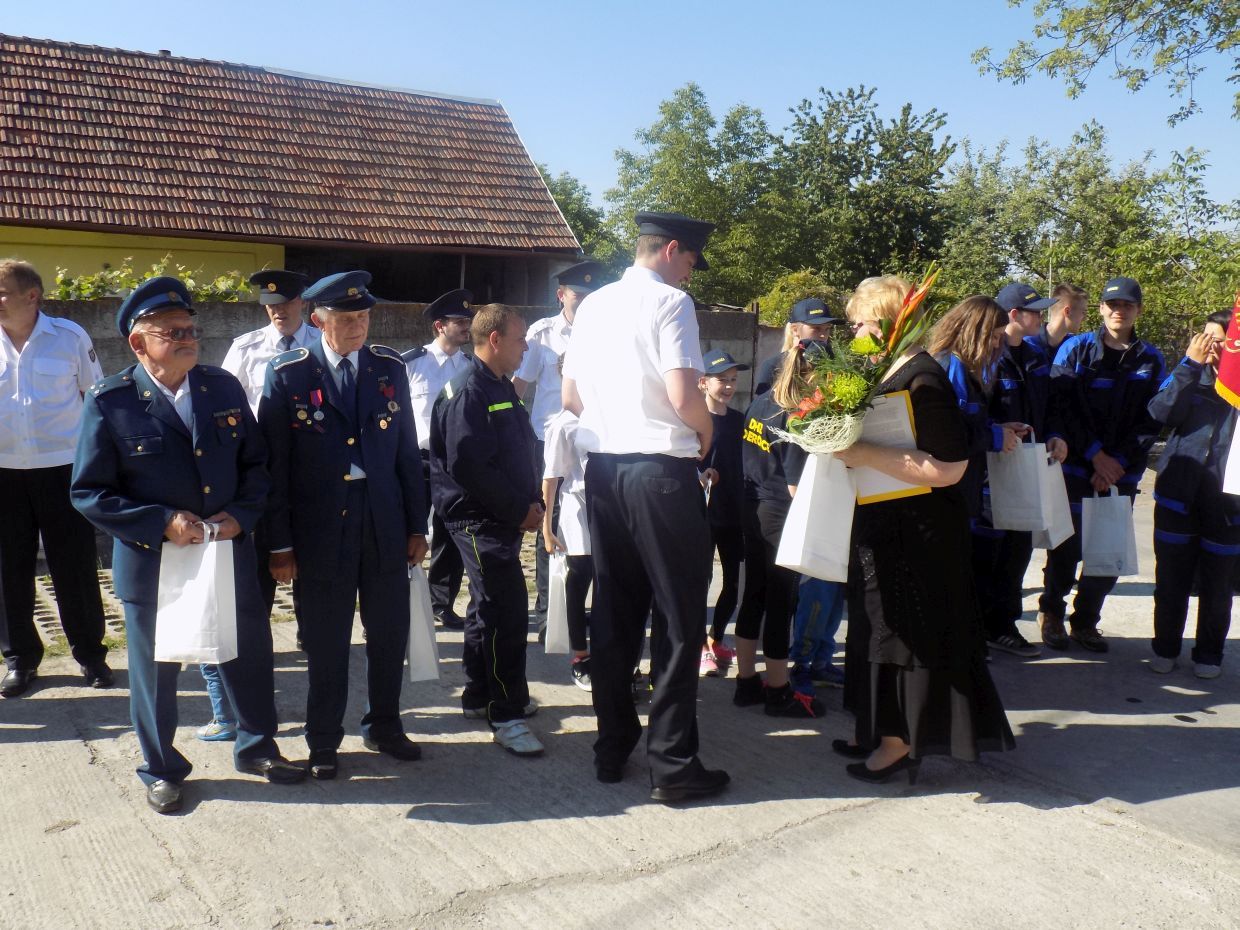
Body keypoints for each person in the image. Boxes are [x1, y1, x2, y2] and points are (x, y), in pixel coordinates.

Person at [71, 276, 305, 814]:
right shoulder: (111, 402)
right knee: (156, 673)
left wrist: (241, 517)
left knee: (247, 654)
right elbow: (89, 492)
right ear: (138, 343)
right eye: (172, 332)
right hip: (154, 564)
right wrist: (160, 522)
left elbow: (256, 466)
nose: (187, 339)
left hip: (224, 552)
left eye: (190, 330)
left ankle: (258, 749)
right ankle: (161, 769)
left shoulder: (220, 387)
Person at [563, 210, 730, 802]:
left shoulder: (593, 306)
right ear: (672, 249)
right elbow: (684, 394)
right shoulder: (670, 302)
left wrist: (617, 423)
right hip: (660, 472)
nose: (690, 274)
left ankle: (612, 748)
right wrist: (707, 432)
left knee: (615, 612)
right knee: (679, 619)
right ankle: (674, 765)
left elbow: (570, 396)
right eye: (690, 262)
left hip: (604, 471)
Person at [834, 275, 1015, 783]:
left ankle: (900, 743)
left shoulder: (924, 379)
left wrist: (859, 452)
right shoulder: (892, 370)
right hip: (888, 525)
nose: (854, 334)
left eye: (860, 324)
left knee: (903, 635)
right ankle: (875, 728)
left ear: (888, 323)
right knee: (876, 626)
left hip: (918, 535)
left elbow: (948, 467)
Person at [259, 270, 429, 781]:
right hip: (320, 529)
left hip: (382, 520)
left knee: (389, 633)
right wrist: (279, 543)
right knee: (327, 641)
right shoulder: (289, 373)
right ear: (318, 321)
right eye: (347, 318)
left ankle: (385, 725)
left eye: (363, 317)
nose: (358, 326)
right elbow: (275, 467)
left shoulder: (387, 367)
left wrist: (416, 526)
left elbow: (406, 453)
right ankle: (323, 739)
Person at [430, 304, 545, 756]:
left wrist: (530, 501)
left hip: (500, 516)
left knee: (484, 609)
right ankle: (506, 713)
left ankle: (479, 694)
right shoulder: (469, 391)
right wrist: (519, 510)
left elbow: (512, 450)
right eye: (520, 339)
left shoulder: (496, 384)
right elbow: (470, 466)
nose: (526, 348)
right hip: (479, 519)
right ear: (495, 340)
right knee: (505, 612)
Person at [0, 259, 111, 698]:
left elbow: (95, 398)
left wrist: (99, 464)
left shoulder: (69, 337)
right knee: (8, 569)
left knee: (75, 567)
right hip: (4, 472)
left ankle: (90, 654)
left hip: (63, 469)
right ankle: (20, 659)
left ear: (32, 296)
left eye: (2, 293)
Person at [1039, 276, 1165, 652]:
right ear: (1101, 309)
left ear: (1138, 310)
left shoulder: (1151, 359)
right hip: (1077, 466)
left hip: (1120, 472)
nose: (1119, 311)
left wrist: (1117, 463)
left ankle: (1085, 622)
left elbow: (1152, 419)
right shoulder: (1075, 349)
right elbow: (1060, 407)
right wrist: (1096, 455)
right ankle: (1052, 613)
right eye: (1112, 305)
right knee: (1066, 548)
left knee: (1107, 553)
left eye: (1127, 305)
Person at [220, 269, 318, 641]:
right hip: (259, 466)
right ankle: (255, 638)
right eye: (271, 306)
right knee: (261, 553)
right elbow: (225, 407)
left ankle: (312, 633)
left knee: (310, 550)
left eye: (285, 303)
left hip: (309, 464)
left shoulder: (321, 344)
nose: (278, 311)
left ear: (301, 302)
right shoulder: (245, 348)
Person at [732, 340, 824, 718]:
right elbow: (795, 487)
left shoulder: (760, 403)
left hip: (752, 507)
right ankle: (778, 690)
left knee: (753, 594)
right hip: (780, 514)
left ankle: (746, 682)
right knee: (780, 603)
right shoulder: (795, 415)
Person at [514, 261, 605, 635]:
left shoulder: (606, 331)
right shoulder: (543, 334)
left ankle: (583, 608)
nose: (583, 302)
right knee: (548, 521)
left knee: (591, 523)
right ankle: (547, 611)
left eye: (589, 297)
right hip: (547, 440)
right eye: (577, 296)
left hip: (593, 439)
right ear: (561, 295)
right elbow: (519, 386)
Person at [1147, 312, 1239, 679]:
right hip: (1178, 496)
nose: (1212, 345)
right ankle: (1165, 647)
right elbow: (1160, 412)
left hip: (1227, 506)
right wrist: (1189, 365)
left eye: (1221, 339)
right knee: (1172, 581)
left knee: (1218, 587)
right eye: (1207, 337)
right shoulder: (1190, 374)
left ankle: (1209, 653)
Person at [403, 289, 473, 630]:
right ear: (439, 326)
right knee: (409, 531)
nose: (466, 327)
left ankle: (440, 603)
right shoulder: (411, 364)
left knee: (450, 534)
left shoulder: (471, 368)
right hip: (417, 459)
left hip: (454, 463)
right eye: (459, 322)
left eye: (468, 321)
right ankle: (400, 601)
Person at [697, 349, 747, 677]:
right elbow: (684, 461)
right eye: (721, 380)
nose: (728, 386)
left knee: (734, 581)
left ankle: (716, 637)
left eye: (733, 379)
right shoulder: (693, 419)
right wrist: (699, 475)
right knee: (701, 580)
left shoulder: (741, 420)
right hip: (702, 514)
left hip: (734, 511)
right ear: (703, 383)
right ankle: (699, 645)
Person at [541, 403, 594, 690]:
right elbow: (551, 478)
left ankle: (608, 652)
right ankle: (580, 655)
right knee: (579, 579)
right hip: (578, 508)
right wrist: (547, 529)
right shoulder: (563, 424)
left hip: (610, 506)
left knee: (609, 582)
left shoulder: (605, 408)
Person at [753, 297, 846, 395]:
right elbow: (763, 403)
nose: (823, 335)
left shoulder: (835, 364)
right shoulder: (774, 366)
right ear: (795, 330)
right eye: (816, 328)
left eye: (827, 328)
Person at [1031, 283, 1089, 360]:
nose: (1085, 318)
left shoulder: (1075, 347)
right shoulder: (1028, 345)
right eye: (1083, 312)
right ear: (1067, 311)